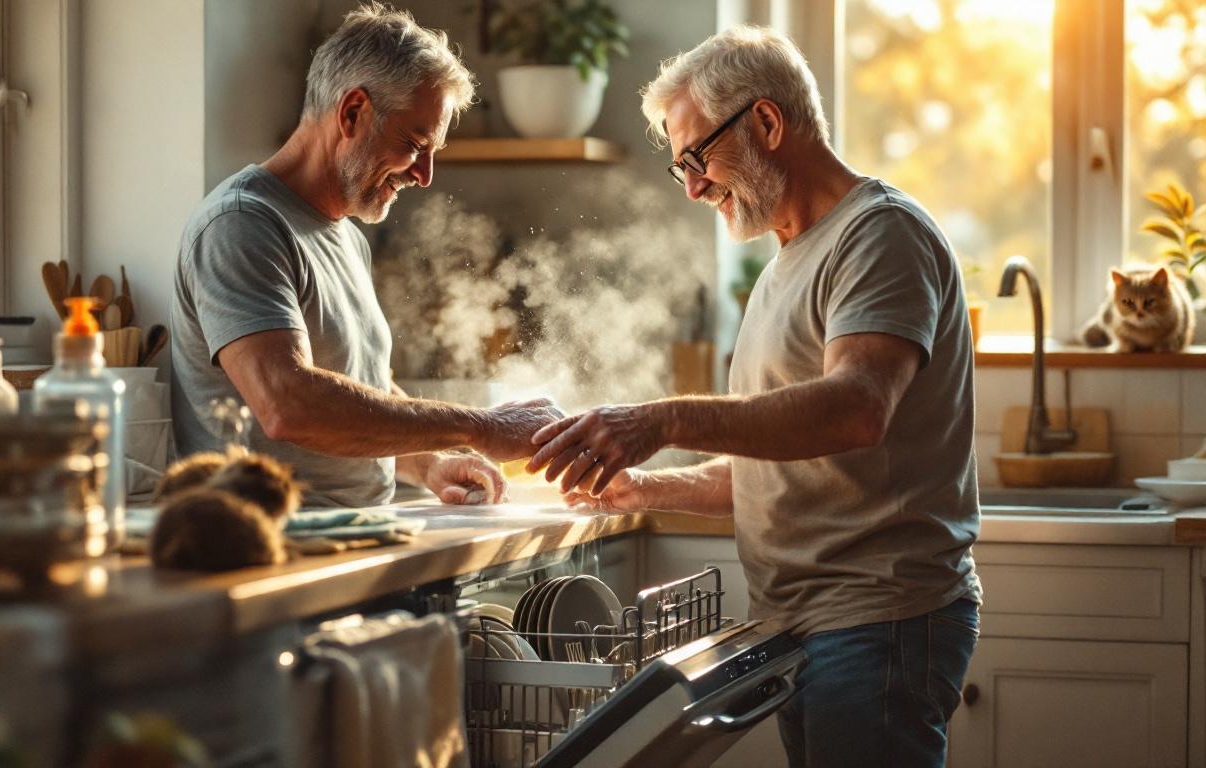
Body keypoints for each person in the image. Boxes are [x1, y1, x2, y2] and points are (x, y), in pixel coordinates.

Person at [528, 25, 981, 768]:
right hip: (809, 626)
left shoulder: (879, 235)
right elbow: (781, 470)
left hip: (878, 618)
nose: (693, 187)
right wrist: (644, 488)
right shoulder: (783, 265)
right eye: (680, 168)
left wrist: (663, 419)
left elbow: (856, 409)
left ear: (766, 123)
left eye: (697, 157)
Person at [170, 4, 561, 508]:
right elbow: (289, 405)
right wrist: (481, 427)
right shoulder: (241, 225)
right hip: (264, 538)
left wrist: (428, 463)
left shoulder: (347, 236)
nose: (424, 175)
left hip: (353, 530)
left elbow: (361, 386)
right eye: (415, 143)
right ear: (353, 112)